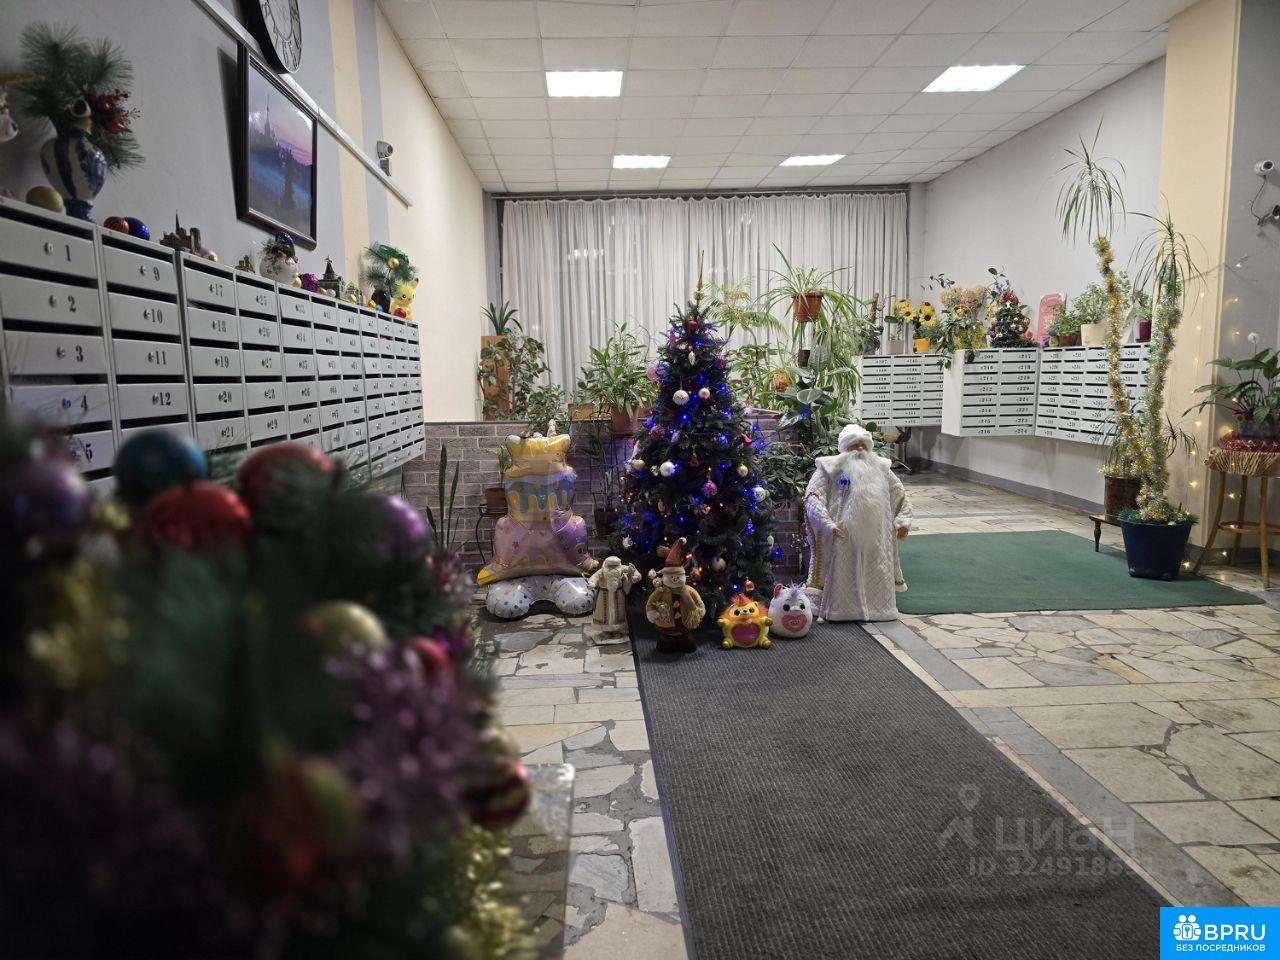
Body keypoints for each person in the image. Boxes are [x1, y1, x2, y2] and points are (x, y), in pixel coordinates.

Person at [804, 424, 913, 622]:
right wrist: (826, 523)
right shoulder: (829, 468)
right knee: (842, 572)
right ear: (845, 448)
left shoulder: (882, 468)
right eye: (855, 445)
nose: (860, 449)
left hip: (877, 534)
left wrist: (903, 521)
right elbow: (813, 497)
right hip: (841, 534)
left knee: (877, 569)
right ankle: (841, 611)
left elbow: (899, 494)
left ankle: (878, 609)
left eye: (864, 445)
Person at [644, 538, 706, 654]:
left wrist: (700, 609)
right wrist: (651, 612)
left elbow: (698, 601)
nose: (675, 579)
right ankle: (667, 640)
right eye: (671, 577)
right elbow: (651, 603)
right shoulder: (661, 591)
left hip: (685, 625)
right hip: (665, 624)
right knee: (666, 644)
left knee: (687, 643)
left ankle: (684, 640)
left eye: (678, 576)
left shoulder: (688, 590)